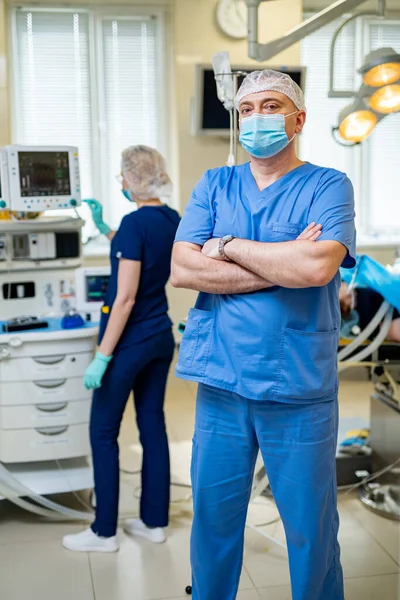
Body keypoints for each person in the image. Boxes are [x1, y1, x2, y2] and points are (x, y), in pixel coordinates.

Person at [171, 70, 356, 600]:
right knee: (213, 525)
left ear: (298, 119)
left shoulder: (328, 185)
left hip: (296, 388)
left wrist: (224, 244)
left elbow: (318, 268)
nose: (256, 118)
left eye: (270, 105)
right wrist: (284, 261)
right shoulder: (215, 183)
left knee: (310, 531)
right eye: (246, 109)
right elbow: (183, 269)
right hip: (222, 384)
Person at [63, 145, 180, 552]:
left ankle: (103, 532)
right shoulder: (170, 219)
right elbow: (141, 254)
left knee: (103, 432)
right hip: (160, 339)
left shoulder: (135, 224)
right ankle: (153, 523)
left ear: (131, 179)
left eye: (122, 176)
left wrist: (102, 355)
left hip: (128, 343)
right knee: (152, 426)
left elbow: (125, 297)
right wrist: (105, 227)